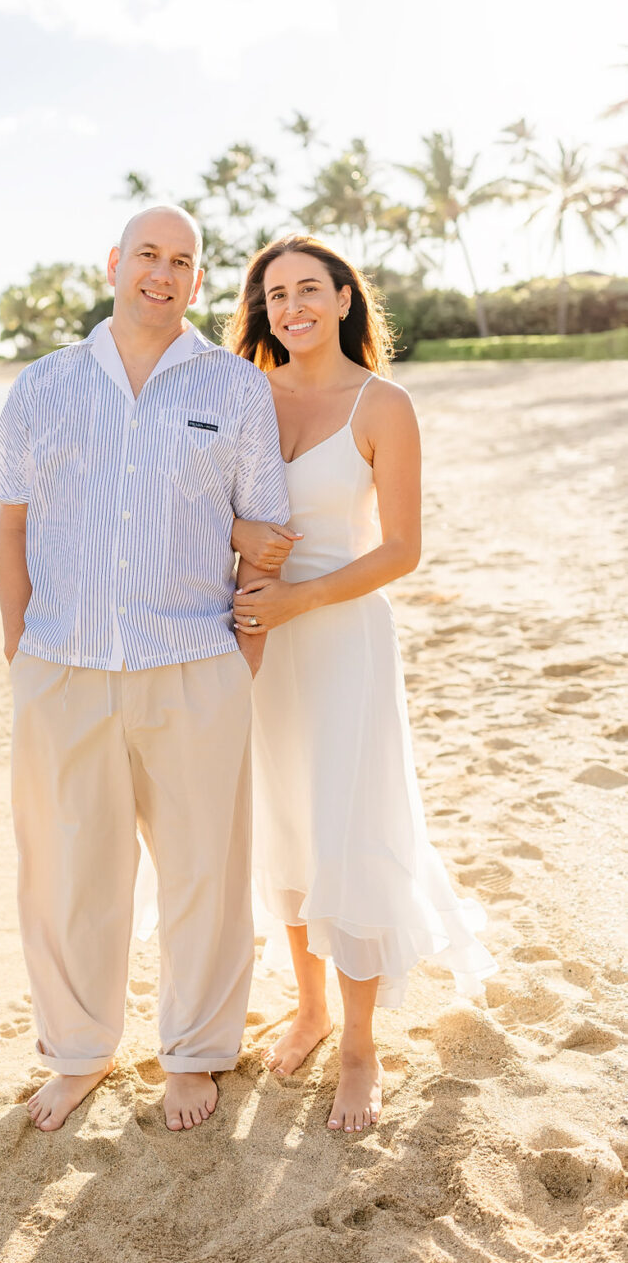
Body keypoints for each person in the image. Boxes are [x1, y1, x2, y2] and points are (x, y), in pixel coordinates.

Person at [0, 206, 290, 1133]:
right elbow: (11, 520)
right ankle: (78, 1052)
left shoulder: (235, 389)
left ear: (198, 281)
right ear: (115, 263)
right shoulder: (44, 384)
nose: (162, 272)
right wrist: (16, 645)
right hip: (59, 666)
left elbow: (265, 540)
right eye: (147, 254)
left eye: (182, 260)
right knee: (69, 871)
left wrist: (244, 664)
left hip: (194, 662)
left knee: (204, 871)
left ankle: (193, 1054)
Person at [228, 234, 496, 1134]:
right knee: (285, 823)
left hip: (340, 636)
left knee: (347, 822)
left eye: (309, 289)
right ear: (261, 310)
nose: (291, 306)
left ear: (345, 299)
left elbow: (401, 549)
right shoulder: (244, 395)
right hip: (257, 640)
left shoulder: (383, 405)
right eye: (275, 295)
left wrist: (298, 598)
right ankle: (306, 1007)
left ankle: (357, 1045)